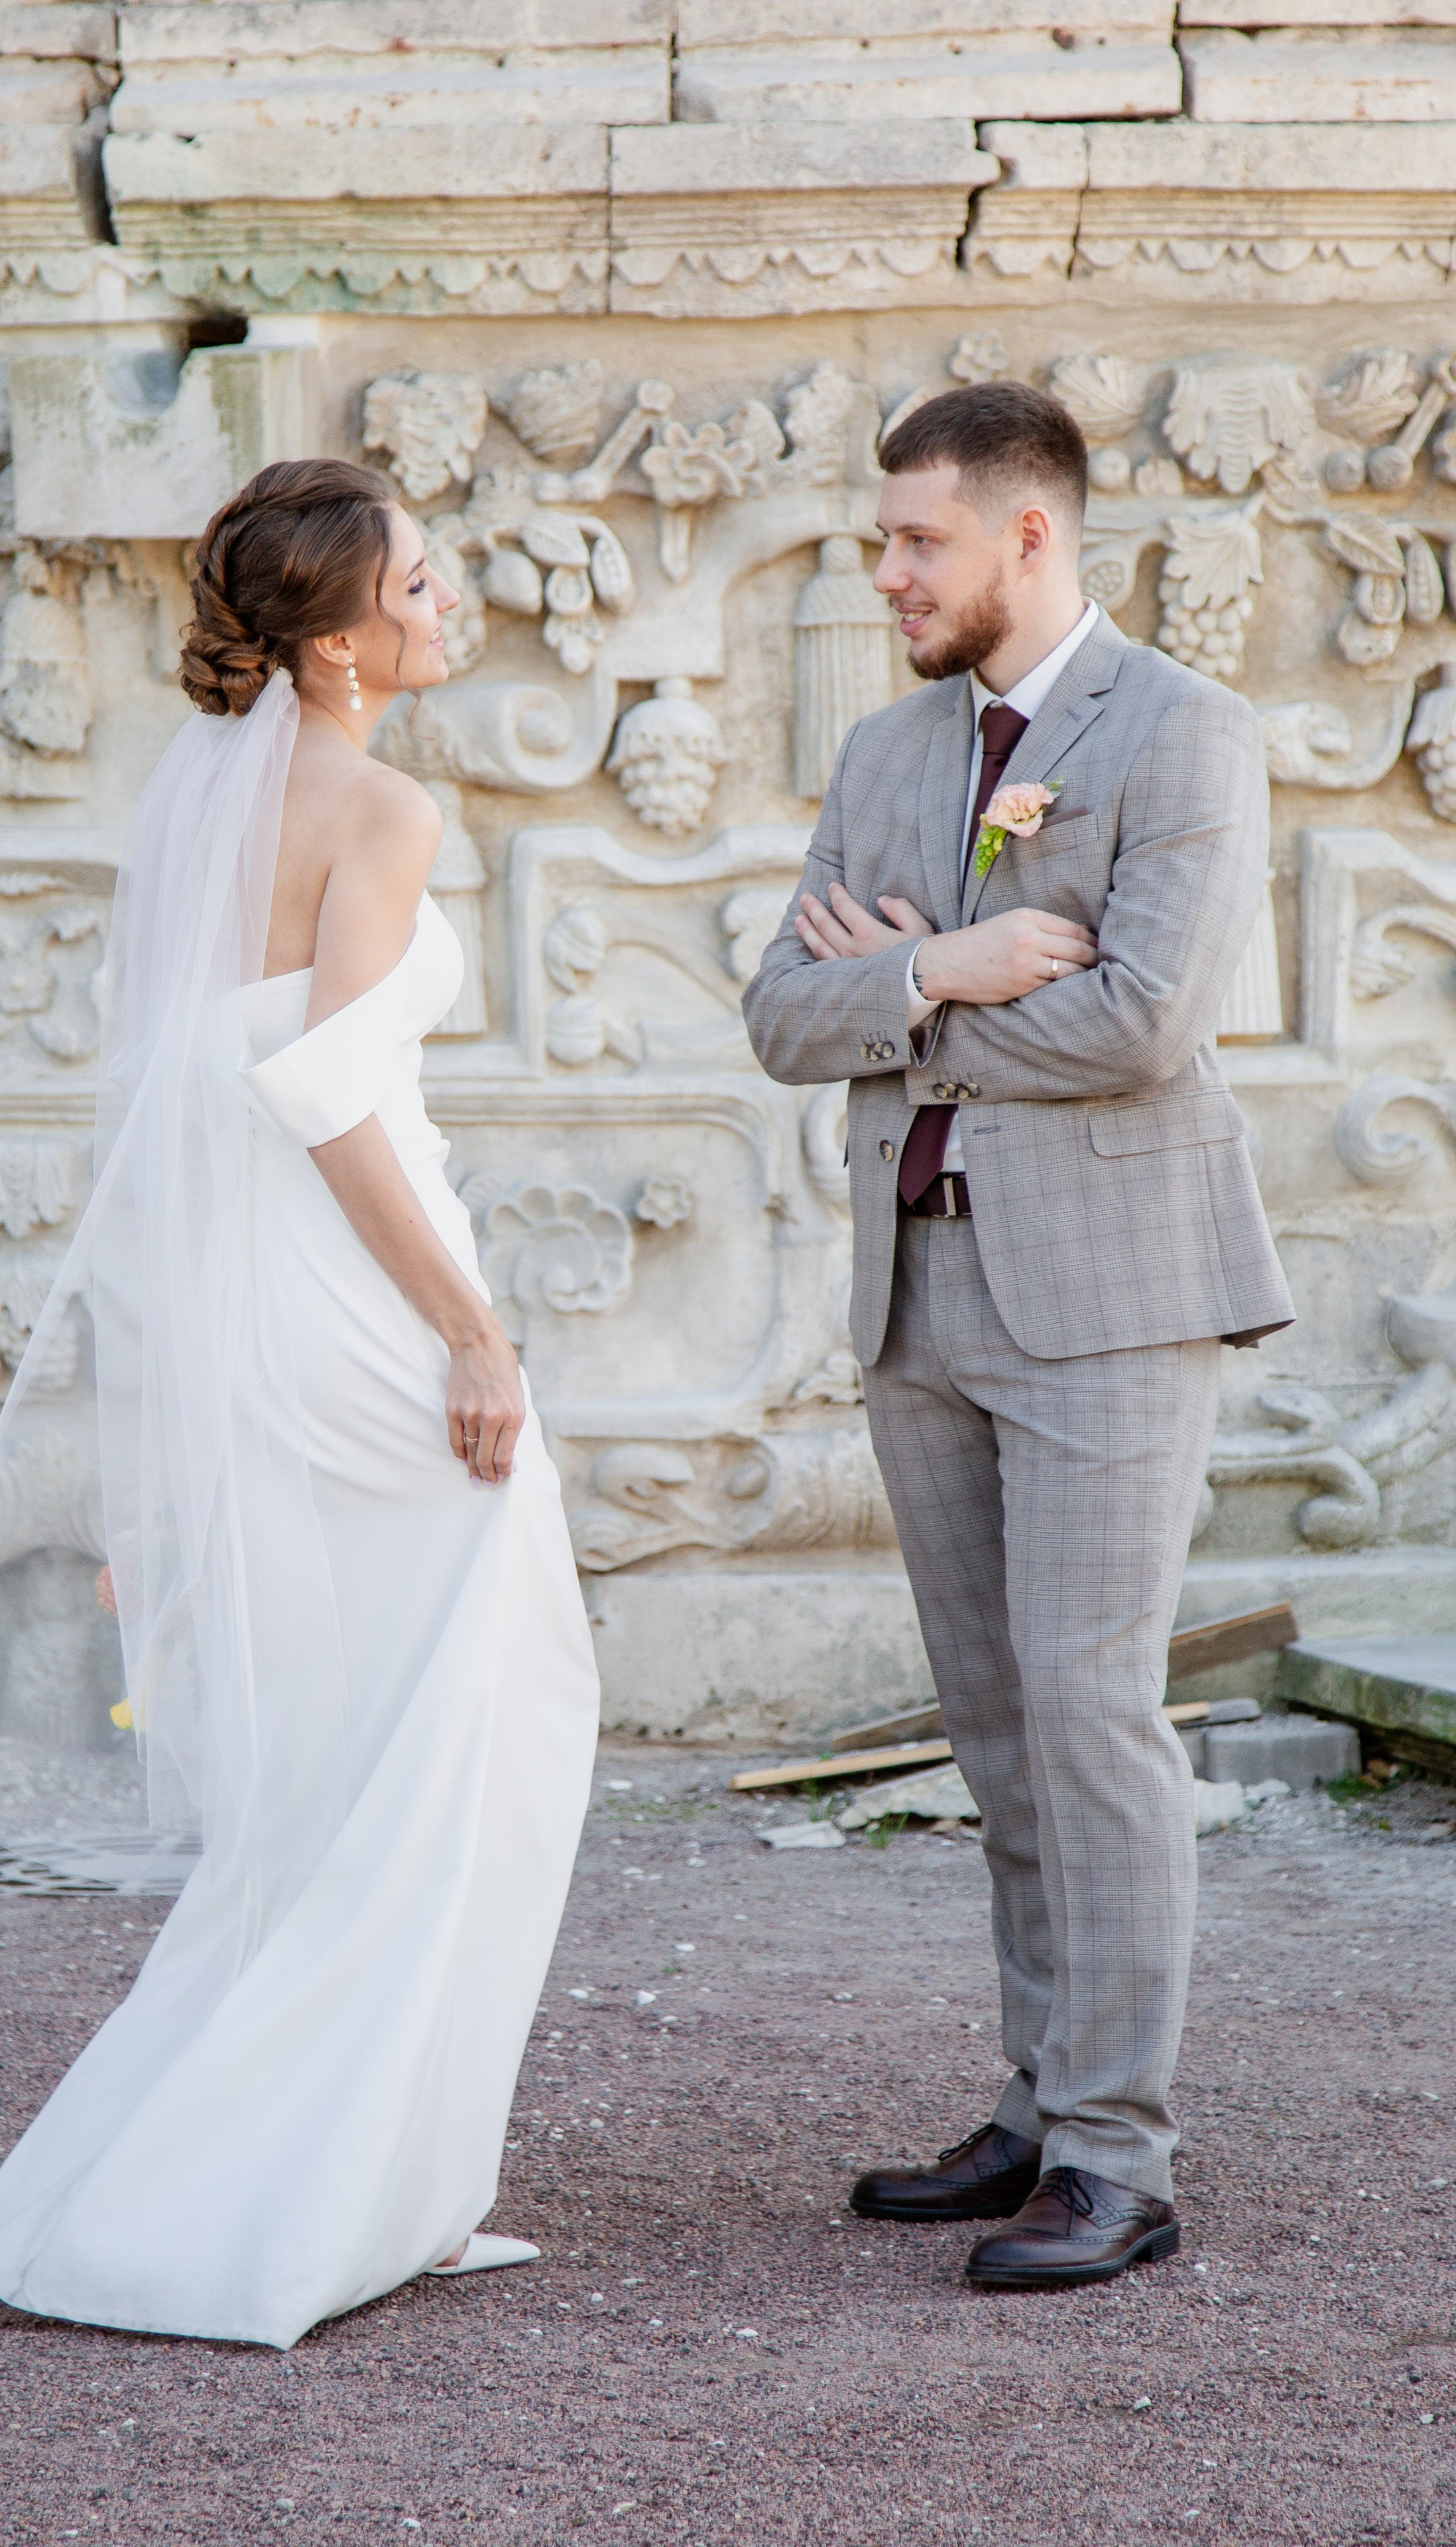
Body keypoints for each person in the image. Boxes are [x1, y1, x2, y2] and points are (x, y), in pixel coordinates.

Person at [0, 460, 599, 2347]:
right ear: (346, 638)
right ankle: (312, 2184)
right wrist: (474, 1332)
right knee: (486, 1704)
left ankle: (384, 2170)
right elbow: (322, 1090)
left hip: (277, 1302)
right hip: (366, 1294)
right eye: (426, 581)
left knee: (357, 1732)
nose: (450, 601)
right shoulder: (380, 805)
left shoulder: (213, 805)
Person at [743, 380, 1293, 2292]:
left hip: (1115, 1299)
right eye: (883, 539)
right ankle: (1043, 2098)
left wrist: (884, 994)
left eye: (918, 541)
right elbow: (774, 1013)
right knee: (992, 1726)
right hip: (923, 1287)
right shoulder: (890, 745)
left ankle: (1123, 2160)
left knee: (1091, 1711)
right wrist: (947, 969)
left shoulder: (1190, 731)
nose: (886, 570)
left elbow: (1144, 1021)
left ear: (1028, 534)